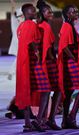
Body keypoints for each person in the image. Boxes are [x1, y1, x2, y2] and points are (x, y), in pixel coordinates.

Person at [15, 3, 43, 132]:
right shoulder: (32, 25)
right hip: (29, 61)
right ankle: (40, 119)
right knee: (40, 89)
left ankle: (27, 122)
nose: (35, 11)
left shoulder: (20, 26)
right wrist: (37, 54)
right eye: (32, 10)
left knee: (24, 90)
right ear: (26, 12)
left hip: (21, 61)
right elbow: (33, 42)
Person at [36, 0, 62, 130]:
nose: (51, 13)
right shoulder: (45, 26)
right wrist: (53, 59)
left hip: (46, 61)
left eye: (51, 11)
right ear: (42, 13)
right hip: (49, 62)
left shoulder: (41, 25)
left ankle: (46, 119)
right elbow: (47, 47)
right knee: (54, 89)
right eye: (48, 12)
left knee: (50, 91)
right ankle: (47, 119)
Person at [58, 5, 79, 129]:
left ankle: (66, 121)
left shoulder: (70, 26)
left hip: (71, 61)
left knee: (69, 91)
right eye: (73, 12)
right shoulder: (67, 26)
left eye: (76, 11)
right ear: (67, 15)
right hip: (71, 63)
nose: (76, 13)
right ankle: (70, 117)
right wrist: (74, 58)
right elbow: (65, 47)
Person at [7, 0, 24, 80]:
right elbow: (12, 12)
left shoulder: (25, 22)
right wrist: (13, 4)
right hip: (17, 44)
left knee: (20, 59)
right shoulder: (14, 22)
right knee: (19, 58)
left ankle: (13, 72)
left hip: (23, 44)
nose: (22, 16)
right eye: (20, 15)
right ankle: (11, 72)